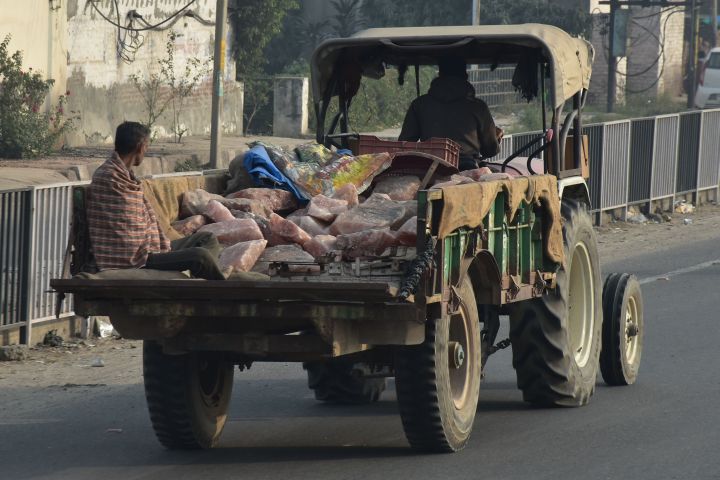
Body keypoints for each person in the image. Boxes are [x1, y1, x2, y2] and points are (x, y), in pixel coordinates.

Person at [86, 121, 225, 280]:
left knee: (208, 238)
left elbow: (135, 220)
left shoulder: (125, 176)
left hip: (149, 247)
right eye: (146, 146)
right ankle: (223, 291)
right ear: (140, 146)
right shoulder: (108, 176)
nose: (146, 151)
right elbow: (127, 230)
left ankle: (205, 282)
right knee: (200, 257)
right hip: (134, 256)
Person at [399, 56, 503, 171]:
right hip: (468, 168)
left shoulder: (419, 104)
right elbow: (490, 150)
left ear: (440, 74)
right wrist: (495, 137)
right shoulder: (478, 106)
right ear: (465, 76)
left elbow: (405, 144)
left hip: (430, 170)